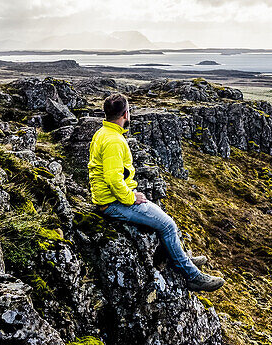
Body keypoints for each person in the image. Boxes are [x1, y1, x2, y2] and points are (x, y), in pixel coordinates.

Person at [89, 92, 225, 292]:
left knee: (162, 217)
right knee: (168, 225)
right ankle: (193, 276)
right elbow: (112, 178)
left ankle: (182, 256)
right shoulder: (114, 141)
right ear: (125, 114)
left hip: (111, 198)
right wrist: (130, 197)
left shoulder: (103, 133)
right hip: (112, 203)